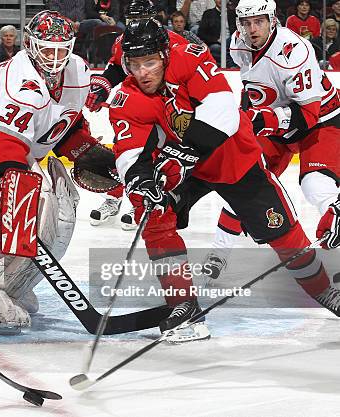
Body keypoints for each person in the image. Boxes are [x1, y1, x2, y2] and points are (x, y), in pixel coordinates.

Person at [108, 18, 340, 342]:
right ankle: (183, 306)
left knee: (282, 231)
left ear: (164, 54)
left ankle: (324, 290)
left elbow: (224, 112)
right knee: (153, 211)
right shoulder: (126, 98)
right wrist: (141, 181)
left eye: (150, 62)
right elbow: (130, 151)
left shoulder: (190, 56)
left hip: (233, 159)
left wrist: (183, 154)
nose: (143, 72)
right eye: (135, 65)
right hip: (185, 168)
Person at [0, 11, 108, 328]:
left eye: (63, 50)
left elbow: (62, 127)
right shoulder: (17, 83)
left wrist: (87, 152)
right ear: (32, 46)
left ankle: (14, 286)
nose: (56, 58)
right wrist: (10, 194)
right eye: (48, 50)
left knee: (64, 208)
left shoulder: (76, 72)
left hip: (19, 151)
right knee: (32, 203)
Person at [204, 0, 339, 280]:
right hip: (278, 119)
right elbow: (252, 89)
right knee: (243, 178)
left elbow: (309, 114)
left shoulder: (293, 52)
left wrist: (263, 119)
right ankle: (218, 254)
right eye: (246, 22)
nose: (252, 29)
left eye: (259, 22)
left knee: (316, 184)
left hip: (322, 118)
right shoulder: (238, 45)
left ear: (273, 20)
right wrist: (249, 115)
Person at [85, 0, 200, 231]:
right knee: (124, 149)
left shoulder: (174, 42)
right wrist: (101, 88)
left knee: (155, 155)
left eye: (141, 20)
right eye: (132, 21)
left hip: (165, 105)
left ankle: (139, 200)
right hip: (136, 104)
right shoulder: (122, 41)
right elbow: (116, 67)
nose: (136, 25)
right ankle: (115, 197)